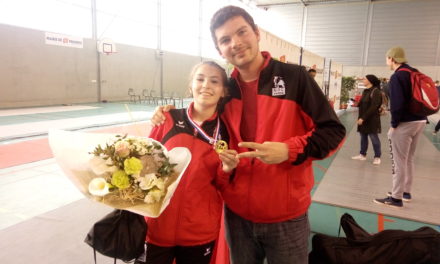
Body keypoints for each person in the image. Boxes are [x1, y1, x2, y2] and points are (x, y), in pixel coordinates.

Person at [152, 6, 346, 263]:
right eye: (225, 40)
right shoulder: (227, 90)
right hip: (237, 217)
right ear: (219, 50)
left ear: (256, 33)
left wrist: (289, 150)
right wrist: (165, 112)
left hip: (285, 218)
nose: (236, 43)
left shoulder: (294, 78)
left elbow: (333, 131)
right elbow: (201, 117)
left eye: (242, 32)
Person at [136, 61, 239, 264]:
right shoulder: (167, 119)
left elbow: (223, 186)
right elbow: (143, 166)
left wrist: (226, 169)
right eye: (200, 79)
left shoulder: (226, 132)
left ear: (224, 91)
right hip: (157, 227)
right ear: (190, 85)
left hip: (199, 232)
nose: (206, 85)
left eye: (214, 81)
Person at [374, 46, 426, 208]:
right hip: (421, 121)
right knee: (409, 159)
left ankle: (396, 198)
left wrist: (394, 124)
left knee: (399, 161)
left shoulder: (397, 76)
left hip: (405, 123)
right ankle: (405, 192)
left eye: (387, 58)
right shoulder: (413, 72)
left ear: (392, 59)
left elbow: (397, 104)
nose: (386, 61)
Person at [351, 74, 383, 165]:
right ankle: (362, 154)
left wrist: (363, 118)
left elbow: (374, 107)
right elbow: (362, 104)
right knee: (363, 137)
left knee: (374, 138)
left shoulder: (376, 91)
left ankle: (377, 157)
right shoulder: (365, 91)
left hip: (371, 119)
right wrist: (354, 102)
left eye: (364, 79)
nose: (363, 80)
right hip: (362, 118)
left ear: (370, 81)